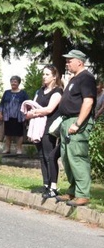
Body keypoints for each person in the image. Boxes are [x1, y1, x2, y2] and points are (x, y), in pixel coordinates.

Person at [56, 50, 97, 207]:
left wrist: (78, 124)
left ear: (79, 62)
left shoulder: (86, 78)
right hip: (67, 122)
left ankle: (83, 194)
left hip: (76, 122)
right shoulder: (75, 78)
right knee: (67, 158)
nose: (67, 63)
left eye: (69, 60)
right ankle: (73, 191)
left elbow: (88, 102)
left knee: (77, 157)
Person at [24, 66, 63, 199]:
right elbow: (33, 105)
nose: (44, 76)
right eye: (43, 74)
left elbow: (49, 109)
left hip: (49, 128)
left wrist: (34, 112)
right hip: (38, 127)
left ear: (54, 76)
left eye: (47, 74)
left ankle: (53, 186)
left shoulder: (57, 92)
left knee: (49, 156)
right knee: (41, 156)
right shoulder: (40, 91)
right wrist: (29, 112)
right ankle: (46, 184)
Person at [0, 76, 29, 155]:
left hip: (19, 116)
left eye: (15, 81)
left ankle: (19, 149)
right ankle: (7, 149)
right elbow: (2, 103)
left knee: (19, 134)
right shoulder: (6, 92)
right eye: (12, 81)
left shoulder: (23, 93)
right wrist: (0, 113)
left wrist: (27, 114)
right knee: (8, 133)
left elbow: (27, 103)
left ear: (18, 83)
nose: (13, 83)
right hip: (8, 116)